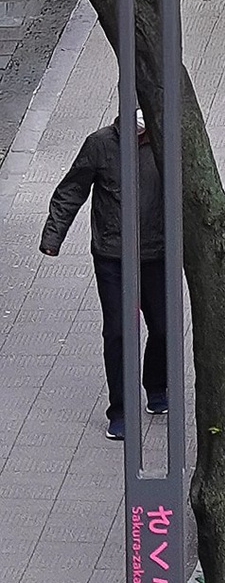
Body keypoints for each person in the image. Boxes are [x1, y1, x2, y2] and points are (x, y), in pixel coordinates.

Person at [41, 120, 168, 437]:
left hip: (157, 253)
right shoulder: (100, 144)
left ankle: (156, 385)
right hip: (113, 255)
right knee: (119, 332)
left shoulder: (167, 140)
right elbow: (71, 190)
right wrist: (52, 237)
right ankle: (122, 409)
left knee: (164, 327)